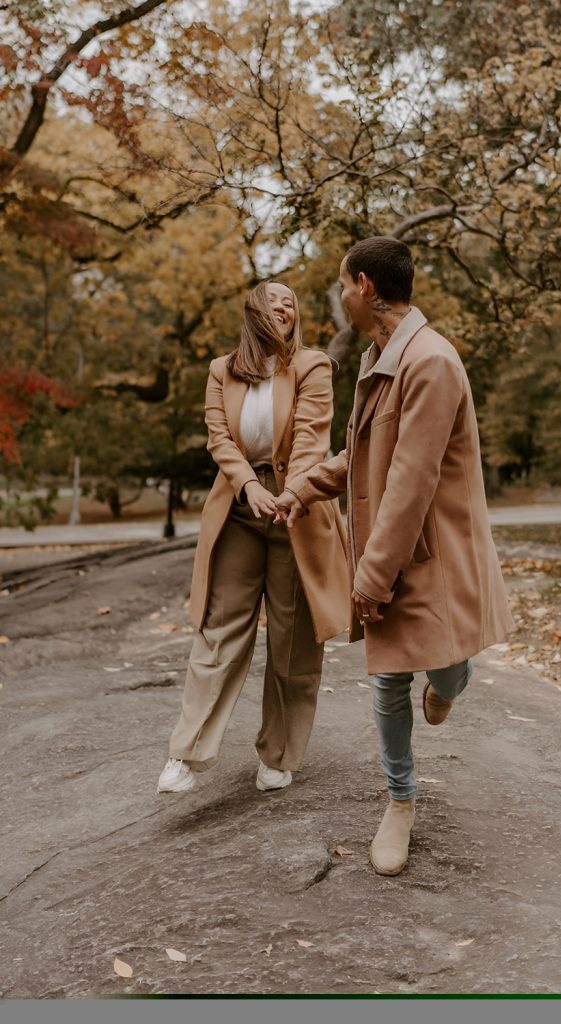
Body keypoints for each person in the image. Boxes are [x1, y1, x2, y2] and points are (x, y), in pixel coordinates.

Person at [274, 237, 514, 875]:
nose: (340, 299)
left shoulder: (429, 363)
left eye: (342, 287)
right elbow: (364, 452)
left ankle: (454, 678)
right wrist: (304, 487)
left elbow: (410, 482)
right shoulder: (380, 358)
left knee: (440, 672)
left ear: (364, 286)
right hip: (389, 547)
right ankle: (400, 802)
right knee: (386, 682)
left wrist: (371, 577)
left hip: (429, 555)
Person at [158, 281, 348, 795]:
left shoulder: (312, 366)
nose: (285, 305)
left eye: (292, 301)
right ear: (254, 311)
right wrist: (246, 483)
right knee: (221, 629)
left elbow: (313, 437)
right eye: (275, 298)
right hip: (240, 506)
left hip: (297, 507)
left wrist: (294, 493)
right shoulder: (222, 370)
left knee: (291, 640)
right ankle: (188, 752)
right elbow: (219, 436)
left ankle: (279, 754)